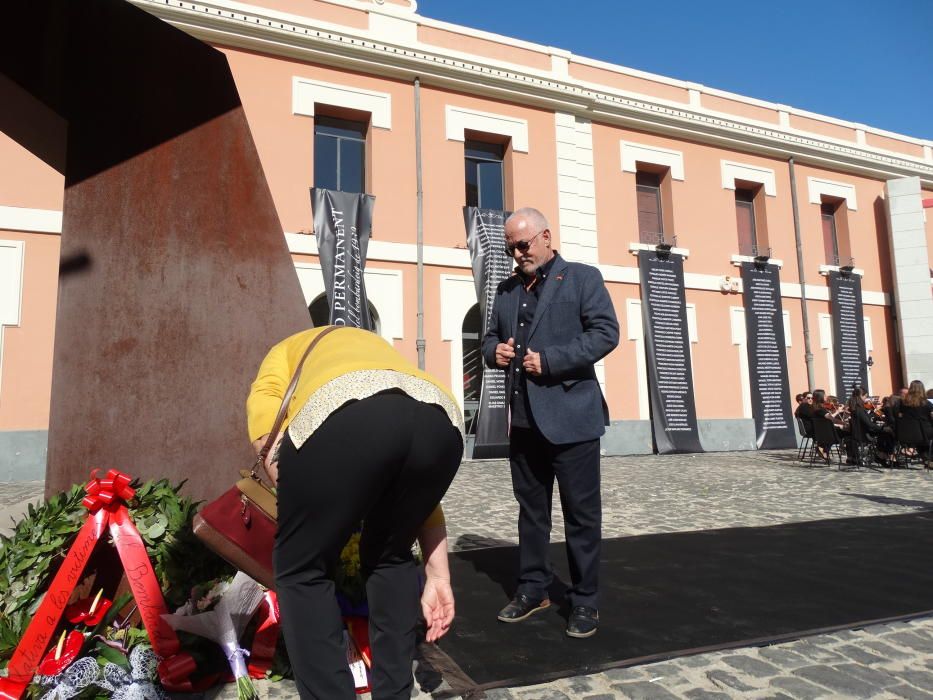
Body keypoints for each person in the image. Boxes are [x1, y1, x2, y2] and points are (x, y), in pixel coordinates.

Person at [246, 326, 464, 699]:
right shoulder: (380, 351)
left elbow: (265, 396)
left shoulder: (287, 346)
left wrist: (281, 468)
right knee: (390, 556)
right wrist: (437, 573)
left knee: (302, 569)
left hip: (343, 411)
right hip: (441, 417)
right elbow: (410, 478)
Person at [481, 207, 619, 639]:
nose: (517, 254)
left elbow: (605, 333)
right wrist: (494, 353)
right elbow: (488, 338)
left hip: (572, 419)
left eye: (522, 245)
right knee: (532, 515)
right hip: (523, 423)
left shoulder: (581, 278)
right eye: (510, 248)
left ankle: (584, 601)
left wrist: (553, 361)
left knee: (581, 516)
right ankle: (534, 588)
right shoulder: (505, 292)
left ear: (545, 237)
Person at [895, 380, 933, 467]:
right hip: (925, 432)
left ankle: (926, 458)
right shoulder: (926, 403)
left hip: (907, 433)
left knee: (921, 437)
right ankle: (929, 459)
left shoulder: (903, 403)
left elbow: (900, 417)